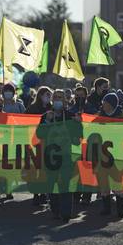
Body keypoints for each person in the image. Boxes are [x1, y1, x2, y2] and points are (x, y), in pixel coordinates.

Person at [37, 89, 79, 222]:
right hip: (51, 156)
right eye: (55, 98)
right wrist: (47, 122)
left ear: (65, 100)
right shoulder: (46, 116)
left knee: (65, 184)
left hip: (66, 155)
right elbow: (39, 134)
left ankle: (66, 213)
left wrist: (78, 124)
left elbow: (77, 140)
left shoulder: (71, 116)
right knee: (51, 183)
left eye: (60, 98)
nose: (57, 100)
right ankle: (55, 209)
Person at [97, 93, 123, 218]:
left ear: (112, 104)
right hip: (103, 153)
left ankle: (120, 209)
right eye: (103, 104)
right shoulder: (100, 115)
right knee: (104, 182)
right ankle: (106, 208)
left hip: (117, 154)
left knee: (117, 182)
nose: (103, 106)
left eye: (106, 104)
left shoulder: (122, 116)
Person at [25, 86, 52, 205]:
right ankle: (36, 193)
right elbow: (26, 122)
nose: (48, 97)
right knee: (36, 167)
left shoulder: (52, 108)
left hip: (49, 142)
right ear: (40, 95)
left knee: (46, 169)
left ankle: (44, 193)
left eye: (49, 95)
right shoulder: (32, 108)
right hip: (35, 141)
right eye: (46, 95)